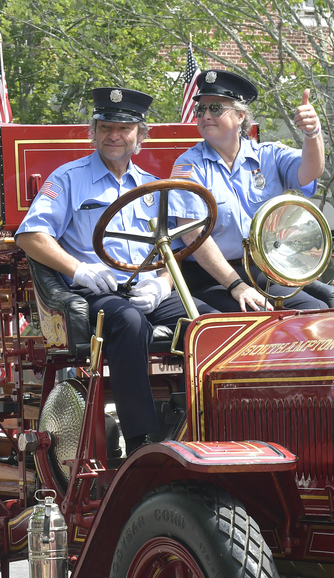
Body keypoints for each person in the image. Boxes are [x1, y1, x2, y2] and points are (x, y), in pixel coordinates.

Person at [17, 86, 211, 456]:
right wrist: (80, 271)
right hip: (98, 292)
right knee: (130, 322)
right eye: (106, 126)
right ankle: (143, 442)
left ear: (140, 136)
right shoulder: (68, 179)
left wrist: (161, 283)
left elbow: (173, 250)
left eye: (124, 128)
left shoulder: (153, 188)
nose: (115, 135)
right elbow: (30, 236)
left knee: (213, 323)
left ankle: (202, 422)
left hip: (147, 291)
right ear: (93, 132)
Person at [167, 70, 327, 311]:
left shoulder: (269, 155)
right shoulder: (188, 167)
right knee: (256, 317)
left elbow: (310, 171)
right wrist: (237, 285)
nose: (206, 115)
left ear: (241, 115)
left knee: (317, 311)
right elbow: (194, 238)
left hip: (263, 268)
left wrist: (312, 133)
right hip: (209, 275)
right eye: (201, 110)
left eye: (216, 109)